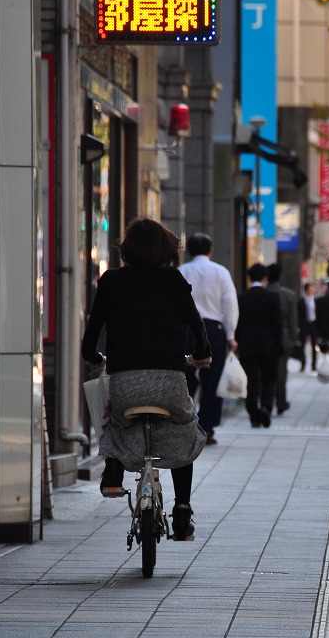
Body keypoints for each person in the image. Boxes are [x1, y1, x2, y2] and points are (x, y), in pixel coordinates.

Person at [81, 217, 211, 541]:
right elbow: (200, 335)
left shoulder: (110, 282)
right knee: (184, 431)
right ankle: (182, 511)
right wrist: (200, 355)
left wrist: (97, 359)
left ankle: (112, 467)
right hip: (170, 383)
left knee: (111, 414)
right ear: (167, 250)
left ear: (127, 249)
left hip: (124, 382)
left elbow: (89, 343)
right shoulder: (176, 282)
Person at [179, 232, 238, 445]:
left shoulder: (182, 271)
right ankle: (207, 427)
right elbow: (229, 304)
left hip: (185, 330)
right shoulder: (220, 272)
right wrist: (231, 335)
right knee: (212, 380)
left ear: (189, 251)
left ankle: (183, 421)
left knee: (184, 378)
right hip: (213, 329)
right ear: (210, 251)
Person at [236, 263, 283, 428]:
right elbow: (277, 324)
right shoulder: (272, 297)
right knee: (269, 378)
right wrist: (279, 343)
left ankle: (253, 412)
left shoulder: (242, 298)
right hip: (269, 344)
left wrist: (237, 342)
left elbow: (238, 324)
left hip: (248, 344)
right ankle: (266, 406)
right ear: (265, 278)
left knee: (252, 380)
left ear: (250, 277)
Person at [267, 263, 298, 415]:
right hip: (284, 338)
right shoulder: (289, 295)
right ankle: (281, 401)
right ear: (280, 276)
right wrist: (294, 337)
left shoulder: (263, 292)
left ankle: (265, 400)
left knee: (264, 370)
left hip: (266, 337)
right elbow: (293, 321)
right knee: (281, 371)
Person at [297, 283, 320, 371]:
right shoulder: (301, 301)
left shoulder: (317, 301)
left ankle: (314, 364)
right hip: (304, 324)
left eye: (312, 289)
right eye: (310, 289)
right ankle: (303, 363)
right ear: (306, 290)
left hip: (313, 324)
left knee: (314, 345)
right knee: (302, 345)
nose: (312, 290)